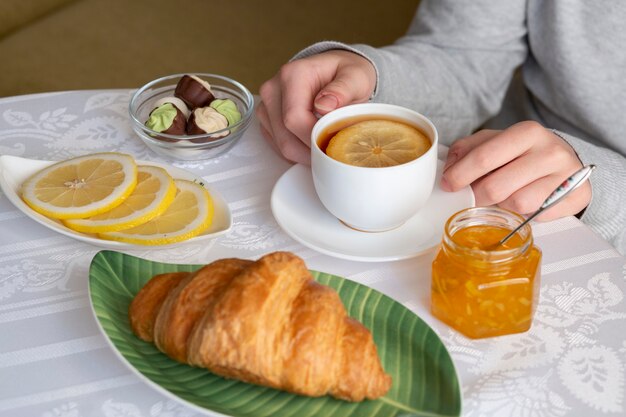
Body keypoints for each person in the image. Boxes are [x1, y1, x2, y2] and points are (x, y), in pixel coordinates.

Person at [256, 0, 626, 255]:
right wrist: (370, 77)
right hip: (499, 185)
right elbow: (464, 54)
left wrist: (605, 188)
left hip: (577, 216)